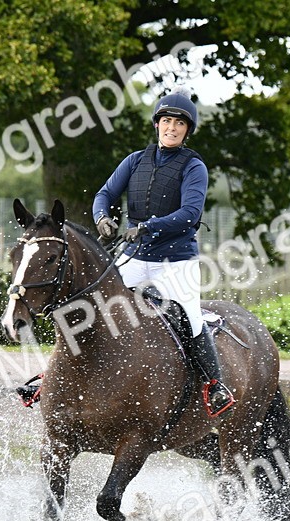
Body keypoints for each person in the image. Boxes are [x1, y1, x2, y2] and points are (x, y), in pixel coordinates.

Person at [92, 91, 234, 417]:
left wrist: (147, 227)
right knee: (94, 309)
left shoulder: (194, 167)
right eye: (166, 121)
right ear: (157, 124)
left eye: (179, 123)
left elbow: (189, 214)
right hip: (133, 258)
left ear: (187, 130)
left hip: (176, 261)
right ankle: (53, 377)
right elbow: (105, 193)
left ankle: (215, 385)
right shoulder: (134, 161)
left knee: (189, 317)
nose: (171, 127)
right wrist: (102, 218)